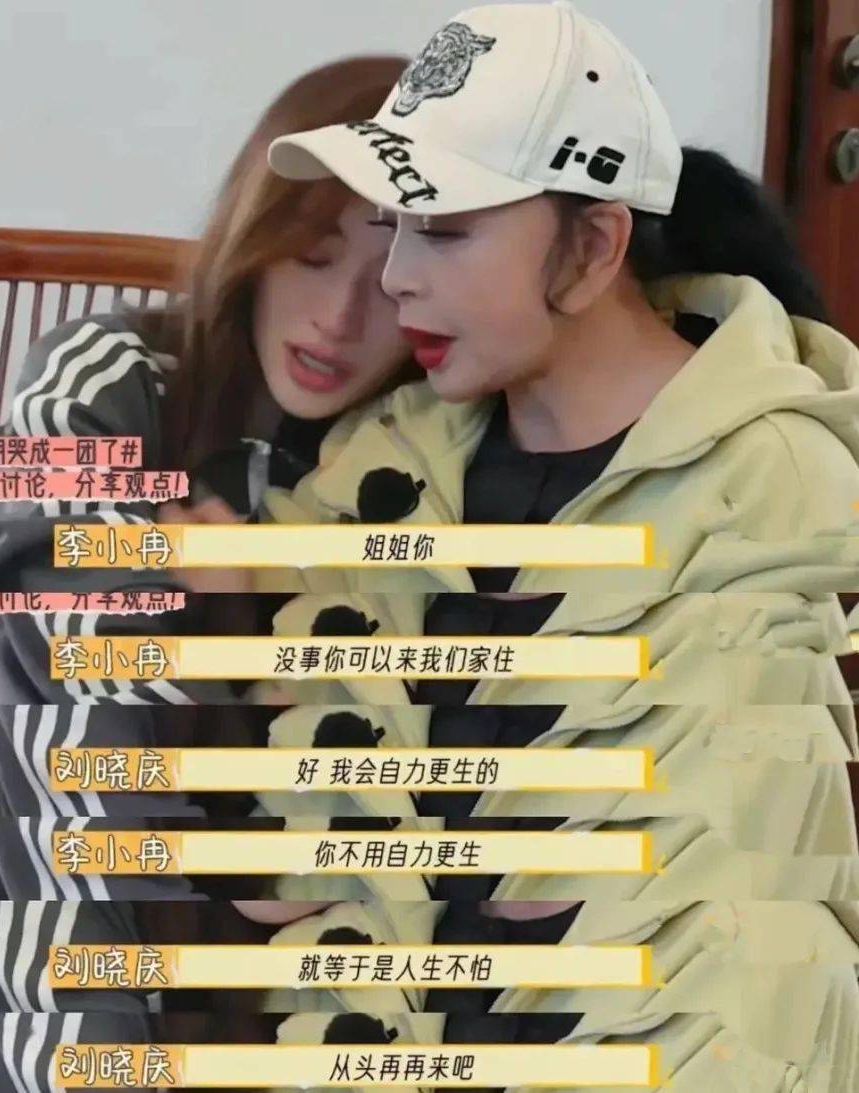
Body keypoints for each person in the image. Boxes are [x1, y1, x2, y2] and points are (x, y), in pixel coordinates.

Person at [223, 2, 859, 1088]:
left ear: (595, 245)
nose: (395, 277)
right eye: (396, 226)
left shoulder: (776, 485)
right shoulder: (384, 467)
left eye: (445, 231)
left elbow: (741, 941)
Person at [0, 53, 437, 1093]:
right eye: (311, 258)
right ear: (254, 241)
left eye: (387, 285)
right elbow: (61, 633)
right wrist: (235, 634)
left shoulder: (426, 451)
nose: (338, 320)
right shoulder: (110, 375)